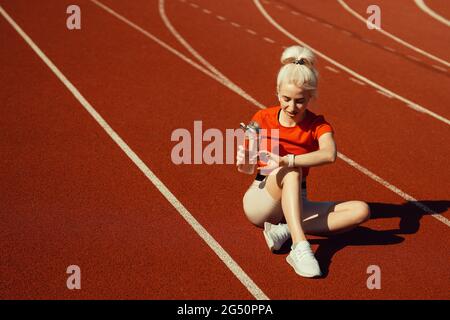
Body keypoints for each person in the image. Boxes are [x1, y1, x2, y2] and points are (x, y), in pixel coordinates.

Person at [236, 45, 370, 278]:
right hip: (261, 197)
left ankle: (284, 230)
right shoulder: (261, 118)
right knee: (292, 171)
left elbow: (329, 154)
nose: (291, 107)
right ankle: (300, 247)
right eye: (285, 99)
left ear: (311, 96)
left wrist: (289, 159)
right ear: (277, 92)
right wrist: (245, 157)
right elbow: (247, 166)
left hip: (297, 199)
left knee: (361, 210)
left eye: (300, 101)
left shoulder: (318, 125)